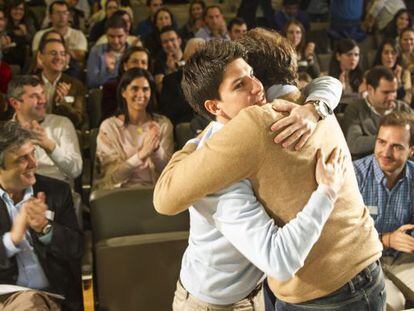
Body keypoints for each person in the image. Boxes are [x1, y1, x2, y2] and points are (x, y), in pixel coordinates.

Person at [154, 38, 385, 310]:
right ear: (213, 107)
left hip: (266, 292)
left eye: (252, 74)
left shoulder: (297, 108)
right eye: (240, 84)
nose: (256, 87)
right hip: (213, 301)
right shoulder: (226, 153)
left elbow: (326, 83)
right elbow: (164, 198)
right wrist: (326, 192)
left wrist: (315, 107)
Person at [0, 120, 83, 310]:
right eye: (22, 159)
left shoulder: (57, 192)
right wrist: (12, 239)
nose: (34, 163)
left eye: (33, 154)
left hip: (49, 297)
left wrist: (45, 228)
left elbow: (76, 248)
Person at [354, 112, 414, 311]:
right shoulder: (354, 176)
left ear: (411, 150)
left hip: (404, 259)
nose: (386, 153)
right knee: (394, 304)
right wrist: (387, 239)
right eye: (381, 142)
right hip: (364, 264)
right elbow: (344, 239)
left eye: (397, 147)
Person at [94, 68, 174, 190]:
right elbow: (112, 178)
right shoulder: (109, 127)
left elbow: (168, 172)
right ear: (123, 92)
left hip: (155, 194)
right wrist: (141, 155)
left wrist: (156, 150)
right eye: (135, 89)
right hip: (118, 195)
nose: (141, 95)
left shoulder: (163, 124)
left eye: (145, 89)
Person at [343, 66, 412, 159]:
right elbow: (354, 144)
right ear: (370, 89)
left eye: (394, 91)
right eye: (386, 92)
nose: (392, 97)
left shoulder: (403, 108)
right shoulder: (355, 109)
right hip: (368, 165)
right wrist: (394, 139)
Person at [37, 38, 86, 129]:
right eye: (53, 53)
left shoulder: (75, 85)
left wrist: (63, 105)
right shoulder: (30, 83)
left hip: (63, 132)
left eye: (62, 54)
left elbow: (79, 121)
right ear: (40, 56)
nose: (59, 58)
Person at [101, 46, 150, 122]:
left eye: (143, 63)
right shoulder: (111, 86)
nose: (140, 66)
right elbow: (109, 115)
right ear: (125, 66)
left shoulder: (150, 86)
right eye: (135, 62)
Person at [32, 1, 87, 66]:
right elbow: (36, 57)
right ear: (50, 16)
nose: (61, 16)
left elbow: (81, 57)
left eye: (64, 13)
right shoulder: (40, 35)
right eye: (58, 13)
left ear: (69, 16)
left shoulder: (78, 35)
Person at [86, 14, 129, 88]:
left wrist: (112, 71)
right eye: (111, 36)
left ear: (127, 34)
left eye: (120, 36)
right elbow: (92, 82)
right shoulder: (96, 51)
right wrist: (110, 72)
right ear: (106, 35)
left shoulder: (134, 53)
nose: (116, 41)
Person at [372, 38, 412, 105]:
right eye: (386, 53)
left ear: (398, 56)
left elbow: (407, 101)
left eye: (393, 53)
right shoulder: (371, 73)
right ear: (380, 54)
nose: (390, 56)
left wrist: (398, 81)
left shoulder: (405, 73)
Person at [153, 26, 183, 90]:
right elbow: (160, 89)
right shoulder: (159, 62)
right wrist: (170, 71)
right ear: (162, 45)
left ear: (179, 41)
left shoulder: (189, 56)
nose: (169, 44)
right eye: (165, 42)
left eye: (172, 40)